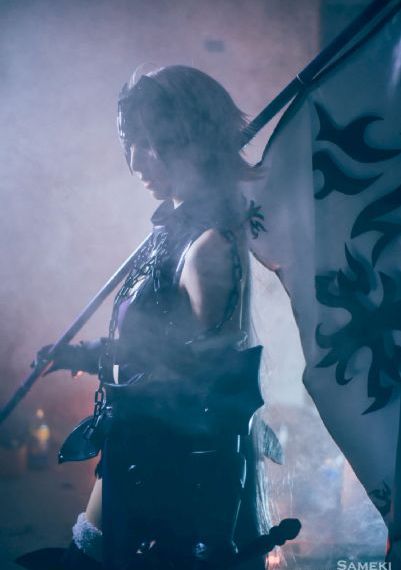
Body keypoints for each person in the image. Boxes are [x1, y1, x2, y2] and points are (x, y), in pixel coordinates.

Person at [18, 65, 270, 570]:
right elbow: (160, 343)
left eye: (147, 143)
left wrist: (102, 358)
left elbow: (207, 384)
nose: (135, 162)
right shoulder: (175, 237)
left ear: (190, 140)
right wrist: (85, 354)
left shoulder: (207, 249)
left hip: (168, 477)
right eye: (128, 143)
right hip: (136, 454)